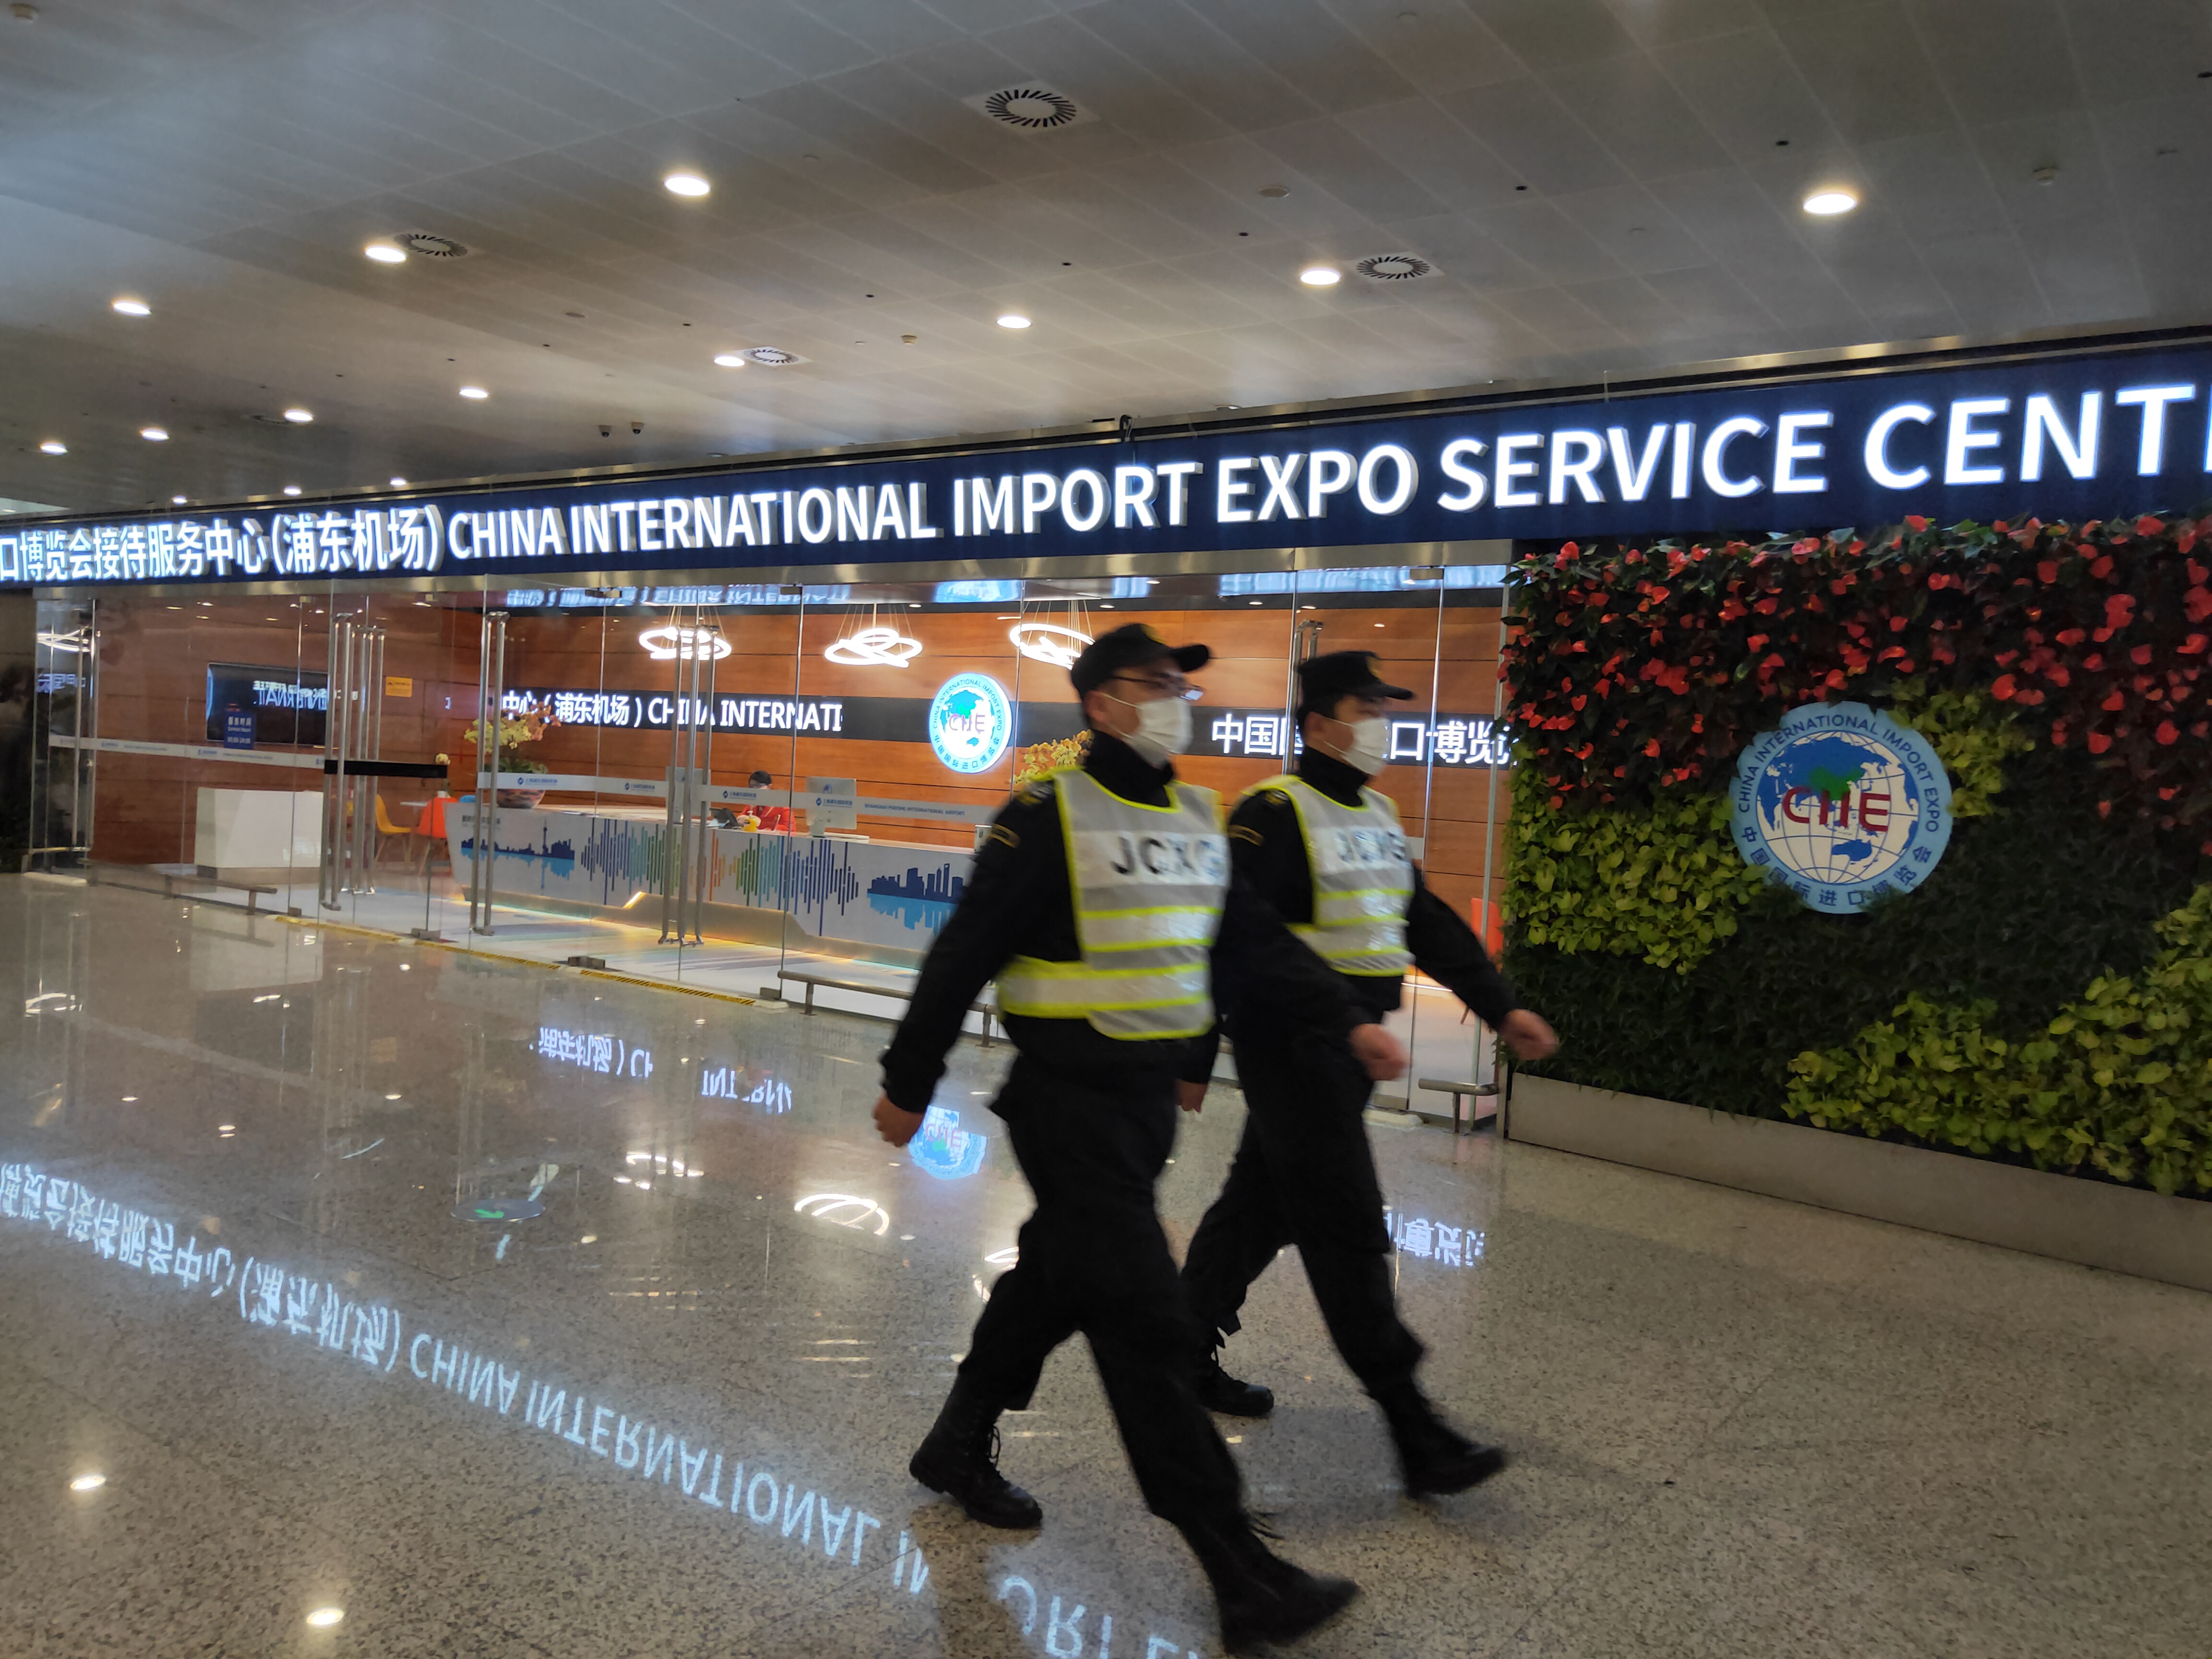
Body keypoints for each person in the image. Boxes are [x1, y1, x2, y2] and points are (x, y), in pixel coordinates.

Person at [871, 624, 1405, 1651]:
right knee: (1148, 1325)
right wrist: (909, 1081)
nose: (1173, 699)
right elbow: (965, 950)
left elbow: (1247, 942)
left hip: (1141, 1111)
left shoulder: (1196, 818)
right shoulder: (1049, 815)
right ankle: (1237, 1570)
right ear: (1101, 704)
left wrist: (1346, 1018)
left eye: (1179, 685)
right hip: (1066, 1105)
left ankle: (956, 1441)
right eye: (1153, 682)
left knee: (1056, 1278)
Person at [1179, 650, 1560, 1498]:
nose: (1383, 725)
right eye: (1367, 709)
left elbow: (1423, 921)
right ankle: (1414, 1426)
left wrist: (1500, 1008)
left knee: (1258, 1206)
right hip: (1295, 1044)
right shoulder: (1275, 813)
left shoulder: (1378, 812)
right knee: (1347, 1225)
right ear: (1319, 724)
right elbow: (1235, 940)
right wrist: (1197, 1054)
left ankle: (1178, 1351)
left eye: (1386, 710)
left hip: (1351, 1047)